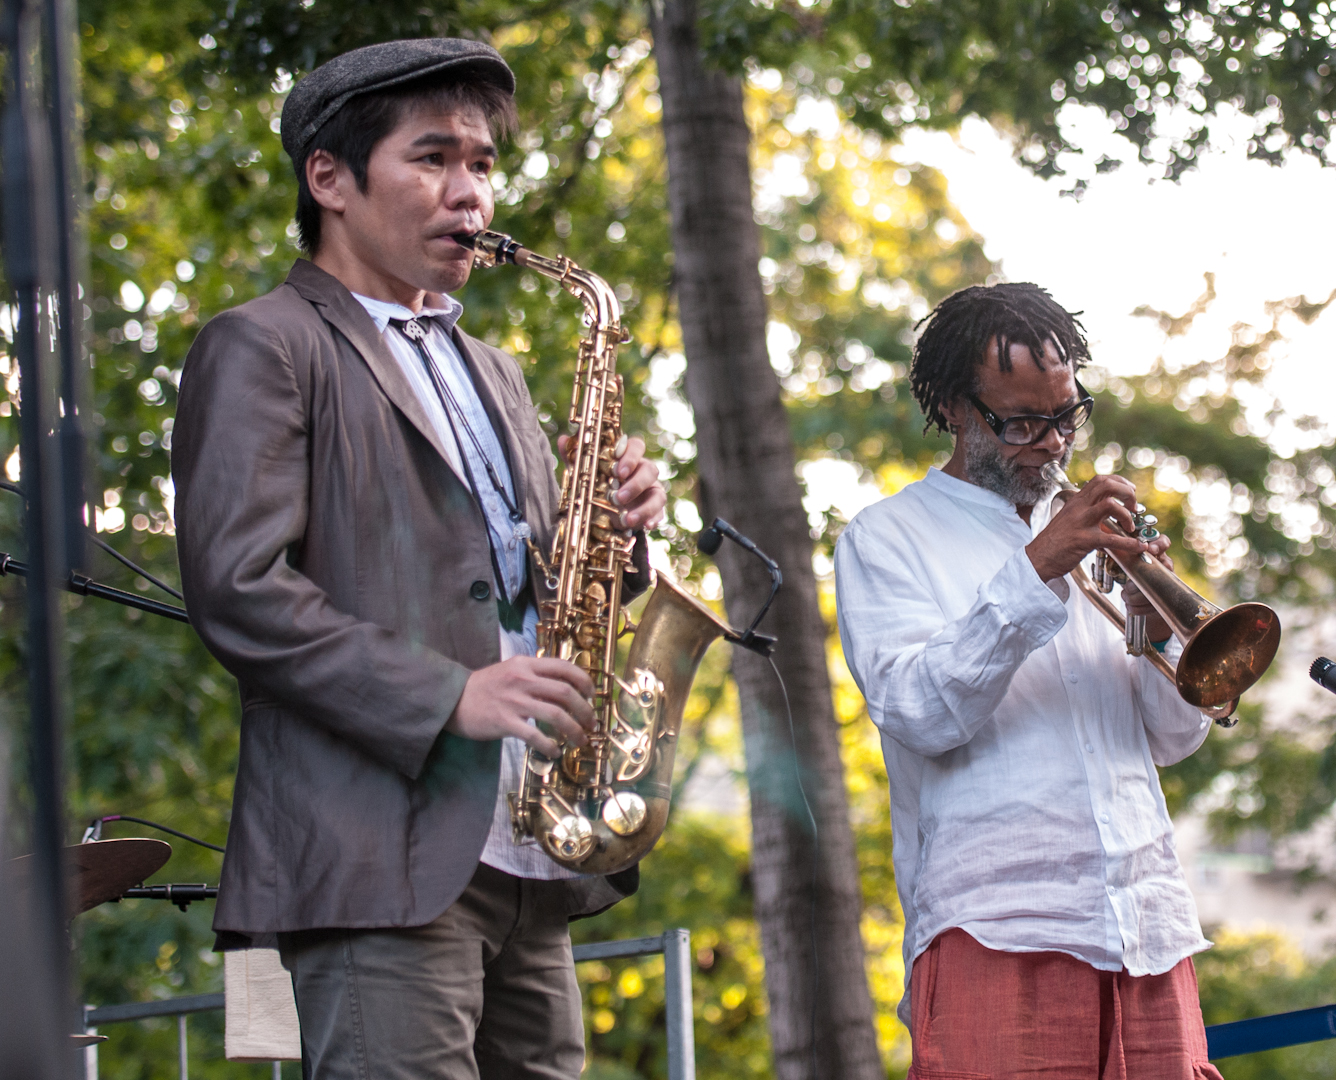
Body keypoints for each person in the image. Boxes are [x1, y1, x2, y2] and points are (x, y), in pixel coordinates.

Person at [171, 38, 666, 1080]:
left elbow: (535, 589)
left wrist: (613, 539)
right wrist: (451, 695)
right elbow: (239, 591)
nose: (470, 194)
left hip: (529, 845)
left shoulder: (498, 371)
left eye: (482, 164)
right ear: (329, 179)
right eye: (432, 158)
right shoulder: (262, 343)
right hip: (375, 854)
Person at [834, 283, 1224, 1080]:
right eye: (1021, 423)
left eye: (1066, 417)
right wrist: (1040, 565)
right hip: (998, 928)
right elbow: (919, 711)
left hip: (1148, 928)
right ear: (952, 407)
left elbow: (1172, 740)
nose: (1051, 446)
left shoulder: (1095, 531)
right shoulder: (886, 538)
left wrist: (1153, 608)